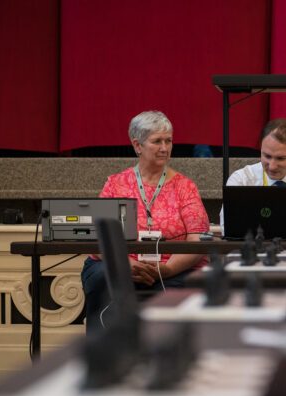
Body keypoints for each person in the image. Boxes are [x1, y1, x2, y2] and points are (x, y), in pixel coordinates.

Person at [81, 110, 209, 332]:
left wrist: (166, 270)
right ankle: (105, 348)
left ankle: (167, 348)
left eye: (168, 141)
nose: (165, 148)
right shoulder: (115, 184)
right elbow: (98, 237)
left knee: (182, 287)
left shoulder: (185, 187)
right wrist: (125, 264)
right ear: (137, 145)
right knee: (102, 277)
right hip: (120, 265)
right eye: (157, 141)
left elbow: (197, 240)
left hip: (172, 268)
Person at [220, 118, 286, 238]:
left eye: (280, 158)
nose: (272, 166)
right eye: (267, 156)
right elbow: (228, 229)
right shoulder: (241, 179)